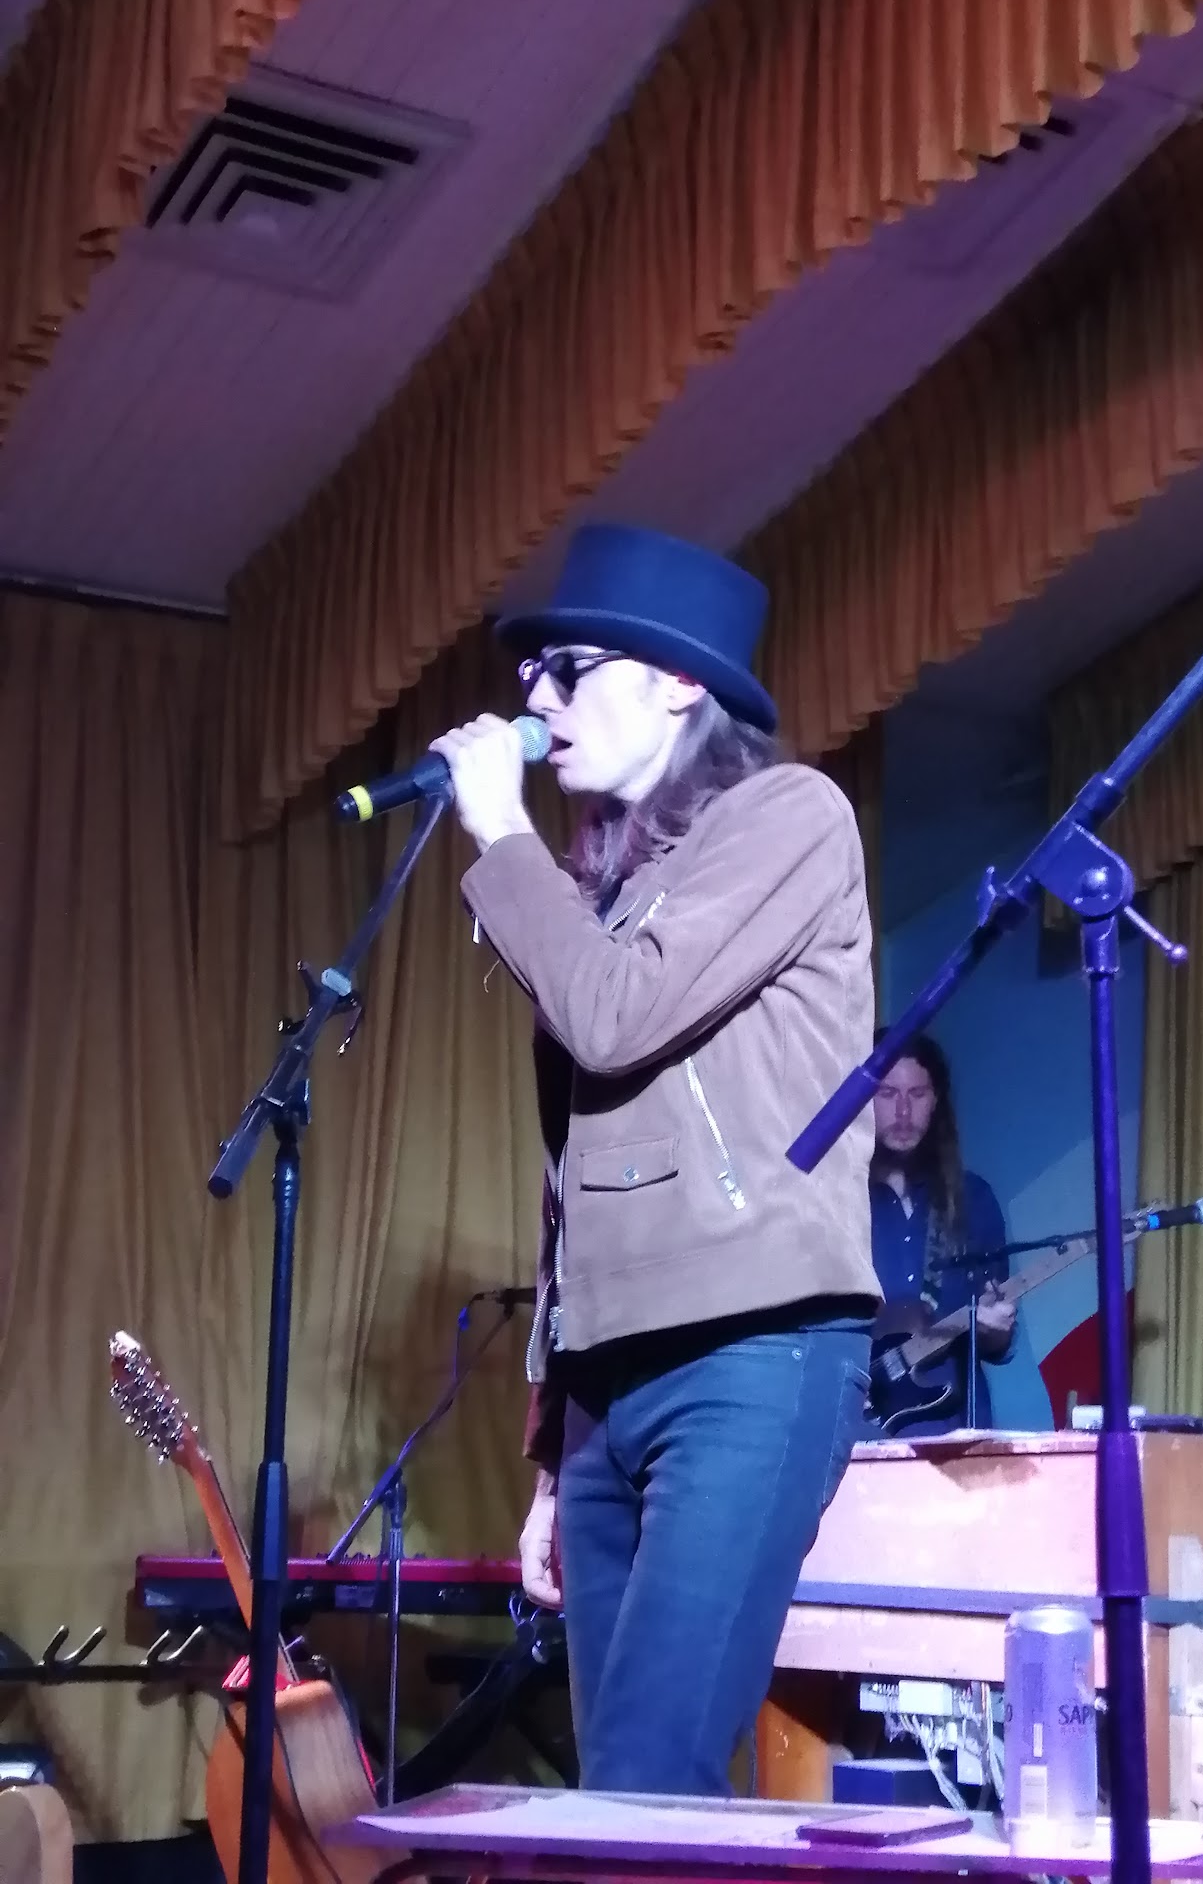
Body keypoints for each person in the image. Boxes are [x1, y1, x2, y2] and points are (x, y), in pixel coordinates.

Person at [431, 522, 881, 1797]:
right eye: (532, 675)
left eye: (570, 670)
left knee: (649, 1775)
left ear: (679, 682)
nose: (538, 698)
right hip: (605, 1386)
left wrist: (499, 834)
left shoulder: (789, 816)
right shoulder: (611, 891)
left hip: (751, 1350)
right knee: (616, 1792)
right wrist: (549, 1455)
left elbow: (617, 1014)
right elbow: (570, 1188)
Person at [866, 1031, 1017, 1436]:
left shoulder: (974, 1198)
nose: (902, 1111)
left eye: (917, 1094)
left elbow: (997, 1343)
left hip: (955, 1430)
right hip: (857, 1429)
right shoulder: (835, 1199)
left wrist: (996, 1329)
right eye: (886, 1093)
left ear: (936, 1102)